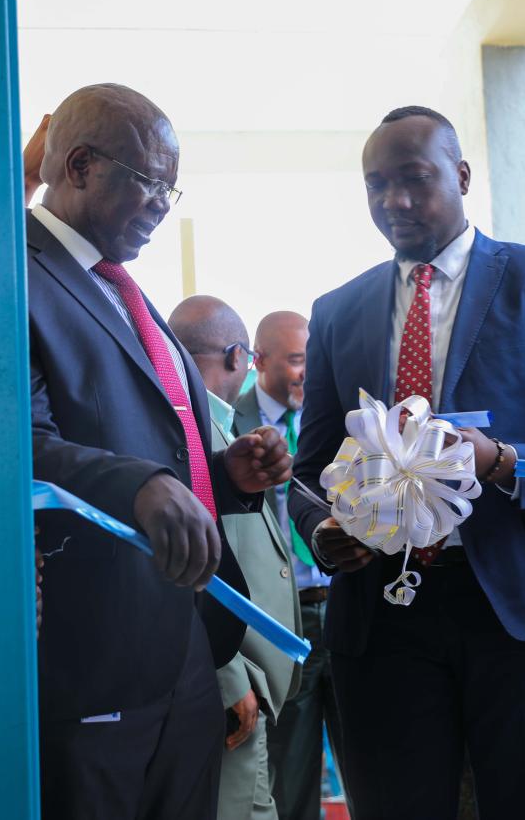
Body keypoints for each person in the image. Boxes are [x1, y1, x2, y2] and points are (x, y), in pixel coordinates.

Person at [289, 106, 525, 819]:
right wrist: (325, 530)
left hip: (520, 613)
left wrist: (502, 460)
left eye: (414, 179)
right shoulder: (337, 310)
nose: (394, 202)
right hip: (381, 616)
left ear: (463, 175)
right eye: (376, 185)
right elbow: (308, 469)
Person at [27, 83, 291, 820]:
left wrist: (229, 477)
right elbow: (21, 444)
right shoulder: (12, 273)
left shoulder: (130, 295)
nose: (161, 206)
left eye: (171, 189)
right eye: (148, 182)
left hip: (185, 650)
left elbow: (165, 448)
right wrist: (140, 482)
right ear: (78, 164)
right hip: (91, 656)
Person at [169, 295, 304, 820]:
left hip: (247, 679)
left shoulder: (214, 425)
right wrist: (226, 676)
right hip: (230, 681)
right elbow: (186, 568)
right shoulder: (188, 431)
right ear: (239, 358)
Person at [234, 310, 348, 820]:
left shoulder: (342, 420)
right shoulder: (225, 422)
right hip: (282, 623)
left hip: (344, 609)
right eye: (298, 361)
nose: (308, 374)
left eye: (312, 360)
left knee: (373, 764)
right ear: (258, 361)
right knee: (291, 775)